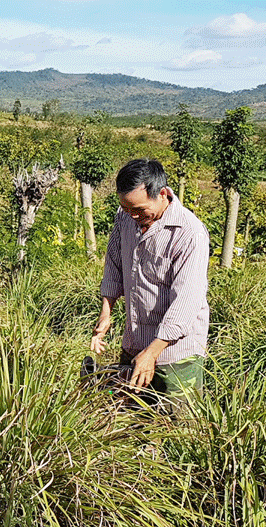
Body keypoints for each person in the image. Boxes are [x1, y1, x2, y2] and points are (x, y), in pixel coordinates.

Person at [90, 158, 209, 415]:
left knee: (176, 432)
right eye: (127, 208)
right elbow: (114, 263)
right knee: (132, 421)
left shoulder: (189, 233)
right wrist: (106, 311)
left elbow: (186, 302)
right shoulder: (126, 218)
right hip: (135, 342)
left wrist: (152, 353)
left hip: (176, 354)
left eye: (140, 210)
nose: (134, 216)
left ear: (163, 194)